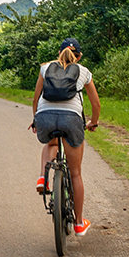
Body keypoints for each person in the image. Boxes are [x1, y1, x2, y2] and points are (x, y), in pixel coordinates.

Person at [30, 37, 100, 238]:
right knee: (75, 172)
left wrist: (36, 120)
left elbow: (36, 98)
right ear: (78, 56)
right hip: (72, 120)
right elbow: (96, 105)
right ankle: (78, 223)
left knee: (51, 142)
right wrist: (93, 122)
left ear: (58, 53)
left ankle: (43, 177)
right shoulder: (84, 72)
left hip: (45, 117)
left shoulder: (46, 68)